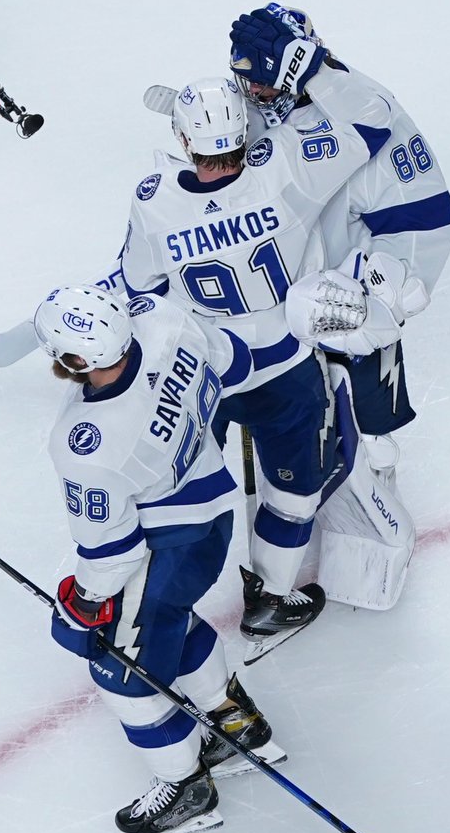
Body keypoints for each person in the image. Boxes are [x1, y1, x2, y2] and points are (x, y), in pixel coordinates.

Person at [119, 68, 393, 658]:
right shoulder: (284, 169)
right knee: (294, 493)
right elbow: (373, 121)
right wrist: (307, 75)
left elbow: (140, 286)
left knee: (184, 502)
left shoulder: (154, 202)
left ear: (185, 141)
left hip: (204, 378)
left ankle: (149, 621)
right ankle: (269, 600)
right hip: (285, 369)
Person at [34, 283, 284, 833]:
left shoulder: (87, 442)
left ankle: (186, 788)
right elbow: (233, 360)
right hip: (214, 514)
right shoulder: (163, 320)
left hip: (164, 546)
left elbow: (112, 551)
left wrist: (84, 603)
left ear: (73, 361)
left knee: (119, 665)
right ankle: (233, 724)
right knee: (168, 617)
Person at [229, 3, 450, 484]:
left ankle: (377, 479)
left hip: (352, 288)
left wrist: (382, 293)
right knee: (298, 420)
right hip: (287, 296)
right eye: (247, 82)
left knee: (366, 418)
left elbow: (427, 216)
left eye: (265, 84)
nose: (254, 94)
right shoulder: (263, 111)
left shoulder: (359, 119)